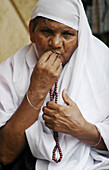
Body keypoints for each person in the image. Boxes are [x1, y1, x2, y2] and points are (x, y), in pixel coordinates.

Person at [0, 0, 109, 169]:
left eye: (67, 34)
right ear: (31, 31)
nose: (56, 43)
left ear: (83, 37)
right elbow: (5, 153)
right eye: (46, 31)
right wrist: (38, 89)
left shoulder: (103, 65)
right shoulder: (11, 71)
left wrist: (82, 129)